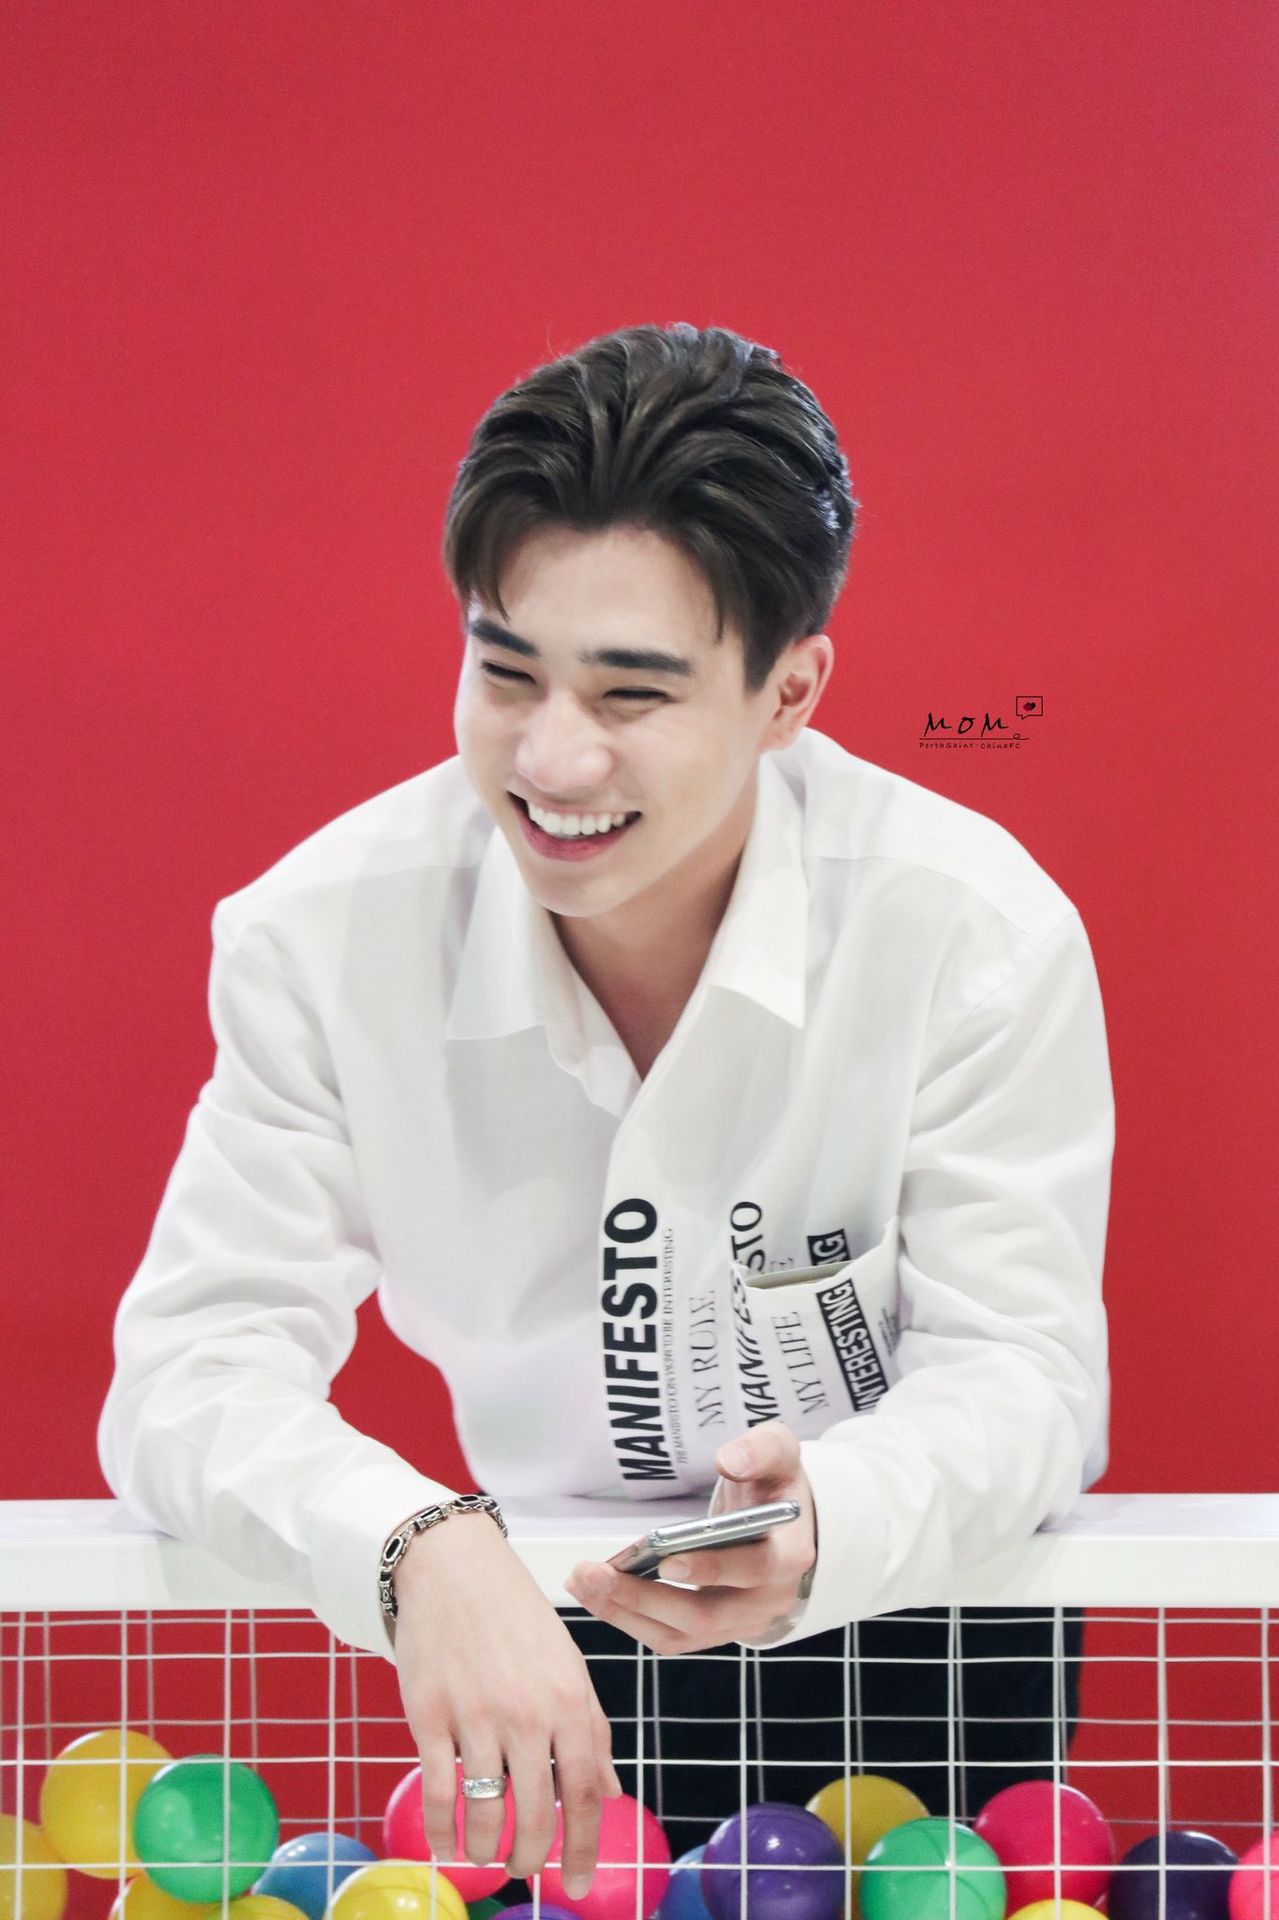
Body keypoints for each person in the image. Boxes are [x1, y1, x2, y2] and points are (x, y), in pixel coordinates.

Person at [98, 322, 1113, 1895]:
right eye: (505, 671)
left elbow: (1026, 1373)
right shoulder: (322, 936)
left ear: (791, 690)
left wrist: (835, 1515)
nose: (553, 759)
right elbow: (185, 1371)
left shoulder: (971, 931)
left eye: (633, 693)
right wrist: (412, 1540)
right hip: (529, 1634)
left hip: (919, 1626)